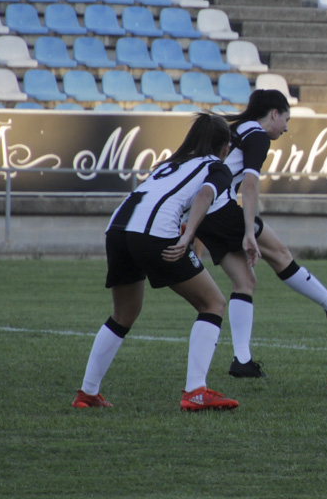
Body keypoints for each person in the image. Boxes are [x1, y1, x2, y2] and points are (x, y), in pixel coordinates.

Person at [195, 90, 327, 379]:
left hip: (203, 213)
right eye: (286, 119)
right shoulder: (257, 135)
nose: (287, 128)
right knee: (280, 254)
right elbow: (250, 185)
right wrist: (249, 230)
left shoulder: (235, 129)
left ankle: (242, 360)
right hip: (219, 207)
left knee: (245, 281)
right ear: (274, 114)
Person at [72, 113, 240, 411]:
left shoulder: (171, 164)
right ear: (225, 146)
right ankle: (195, 391)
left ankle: (87, 393)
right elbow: (204, 195)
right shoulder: (217, 167)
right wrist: (188, 236)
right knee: (213, 303)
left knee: (124, 313)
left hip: (118, 230)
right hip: (153, 233)